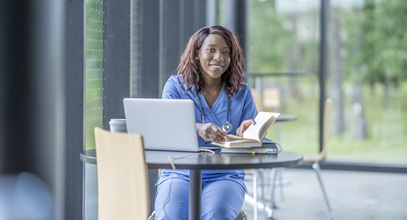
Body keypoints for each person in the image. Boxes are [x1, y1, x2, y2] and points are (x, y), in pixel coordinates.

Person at [154, 25, 258, 220]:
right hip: (179, 173)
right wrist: (198, 128)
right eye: (211, 50)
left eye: (226, 52)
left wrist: (250, 134)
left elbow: (256, 143)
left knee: (217, 215)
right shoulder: (176, 87)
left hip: (225, 175)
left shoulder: (242, 92)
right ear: (196, 53)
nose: (219, 57)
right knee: (171, 215)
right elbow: (166, 128)